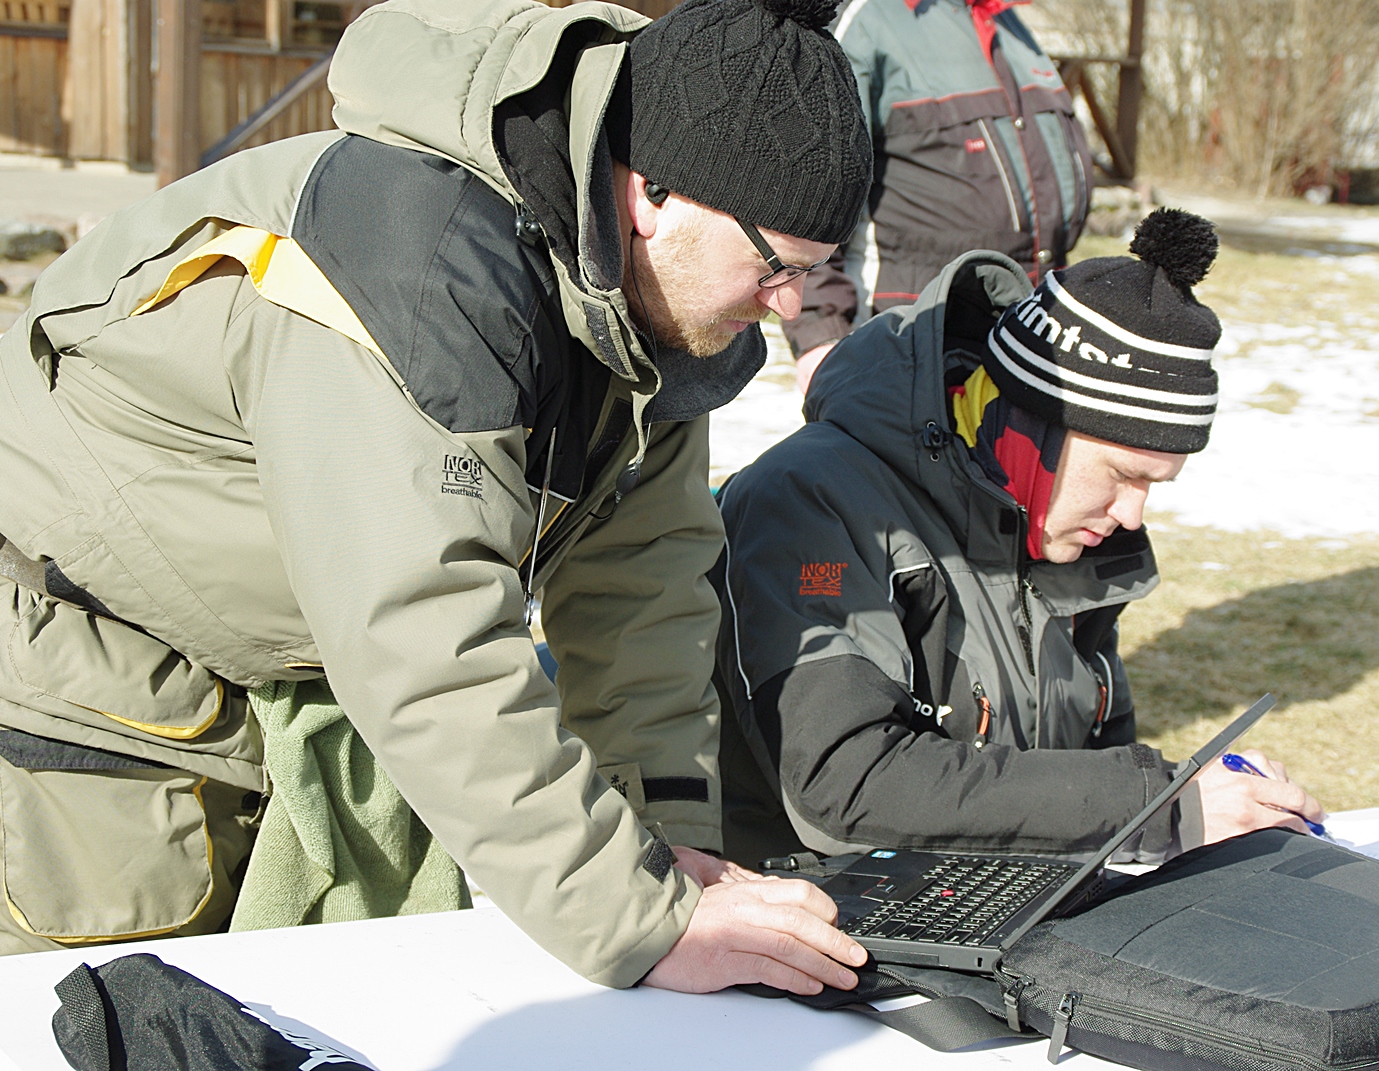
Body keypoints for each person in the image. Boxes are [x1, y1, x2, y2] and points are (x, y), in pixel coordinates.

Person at [0, 0, 876, 996]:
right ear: (652, 195)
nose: (790, 305)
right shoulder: (413, 264)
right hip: (95, 659)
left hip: (303, 659)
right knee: (104, 1014)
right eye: (776, 266)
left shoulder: (661, 310)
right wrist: (636, 917)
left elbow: (642, 596)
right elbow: (423, 628)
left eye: (816, 272)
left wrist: (669, 854)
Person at [713, 209, 1324, 867]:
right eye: (1123, 474)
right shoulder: (809, 502)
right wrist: (1159, 806)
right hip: (791, 900)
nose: (1133, 514)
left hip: (981, 897)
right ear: (1032, 429)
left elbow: (1085, 768)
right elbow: (844, 785)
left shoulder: (1065, 531)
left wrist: (1207, 798)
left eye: (1156, 484)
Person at [784, 0, 1096, 391]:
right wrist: (818, 334)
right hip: (904, 346)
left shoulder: (1005, 19)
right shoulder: (868, 19)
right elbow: (808, 186)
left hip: (1023, 338)